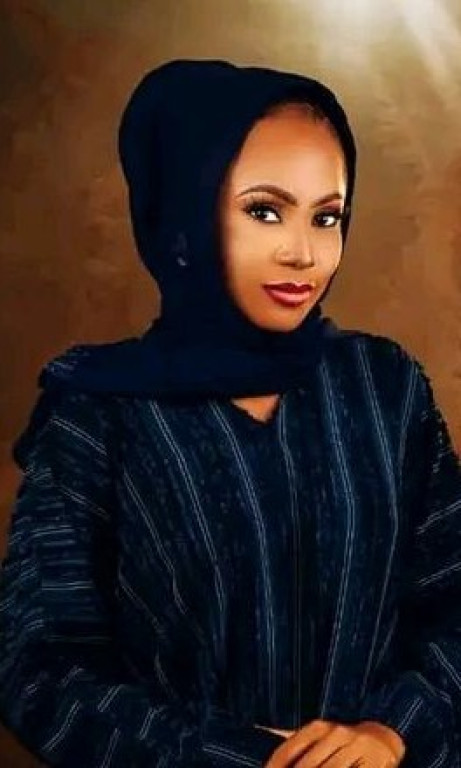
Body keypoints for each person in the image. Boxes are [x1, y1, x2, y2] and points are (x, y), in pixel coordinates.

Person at [0, 58, 460, 768]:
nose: (302, 253)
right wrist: (238, 756)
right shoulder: (97, 416)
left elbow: (453, 601)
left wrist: (390, 732)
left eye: (327, 217)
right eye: (264, 211)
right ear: (184, 218)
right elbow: (42, 669)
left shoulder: (384, 388)